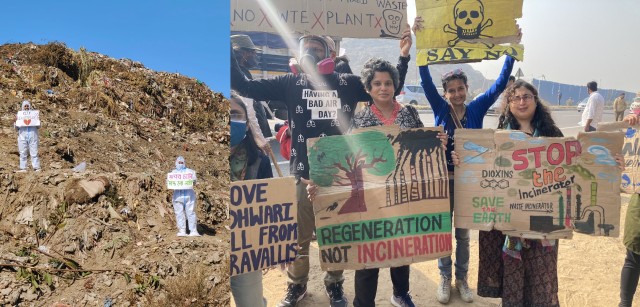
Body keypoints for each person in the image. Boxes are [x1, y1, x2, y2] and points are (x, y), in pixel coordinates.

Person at [231, 27, 413, 307]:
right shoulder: (290, 83)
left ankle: (335, 284)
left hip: (339, 177)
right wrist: (227, 54)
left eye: (317, 49)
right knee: (299, 238)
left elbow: (390, 86)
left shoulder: (348, 83)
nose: (310, 53)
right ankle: (297, 286)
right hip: (302, 177)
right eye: (306, 47)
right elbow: (246, 87)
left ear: (329, 55)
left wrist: (403, 55)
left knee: (334, 235)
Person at [455, 80, 623, 307]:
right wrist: (462, 161)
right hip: (511, 229)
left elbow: (580, 167)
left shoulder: (552, 133)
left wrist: (610, 163)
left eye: (527, 97)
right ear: (509, 103)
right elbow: (480, 168)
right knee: (513, 283)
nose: (522, 102)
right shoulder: (498, 137)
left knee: (541, 282)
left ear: (535, 100)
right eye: (516, 98)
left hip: (545, 226)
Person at [413, 15, 516, 304]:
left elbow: (499, 85)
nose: (457, 94)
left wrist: (510, 49)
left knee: (463, 234)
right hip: (443, 180)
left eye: (461, 89)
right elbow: (424, 79)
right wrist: (421, 45)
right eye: (451, 91)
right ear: (445, 94)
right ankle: (445, 278)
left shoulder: (477, 108)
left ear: (466, 89)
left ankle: (463, 279)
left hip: (469, 181)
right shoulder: (440, 109)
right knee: (443, 232)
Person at [351, 58, 422, 307]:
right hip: (372, 198)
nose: (384, 88)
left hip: (404, 194)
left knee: (401, 249)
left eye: (388, 83)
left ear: (395, 85)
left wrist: (439, 143)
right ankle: (363, 302)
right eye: (377, 83)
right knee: (369, 253)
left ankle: (400, 293)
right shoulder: (359, 120)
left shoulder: (410, 114)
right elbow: (350, 156)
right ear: (368, 88)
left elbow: (424, 143)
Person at [230, 93, 272, 307]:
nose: (229, 120)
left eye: (235, 115)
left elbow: (271, 208)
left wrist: (271, 249)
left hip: (246, 250)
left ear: (247, 124)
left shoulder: (259, 162)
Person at [231, 34, 273, 138]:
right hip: (248, 133)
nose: (254, 55)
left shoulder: (242, 72)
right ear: (243, 53)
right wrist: (258, 137)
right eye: (252, 52)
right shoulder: (237, 76)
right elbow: (248, 107)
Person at [170, 156, 200, 237]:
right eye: (179, 162)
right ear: (176, 163)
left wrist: (192, 180)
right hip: (177, 196)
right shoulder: (173, 173)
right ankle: (182, 230)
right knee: (179, 213)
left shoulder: (190, 172)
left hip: (189, 196)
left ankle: (193, 230)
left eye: (182, 162)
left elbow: (194, 181)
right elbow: (169, 182)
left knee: (190, 212)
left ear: (184, 163)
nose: (180, 164)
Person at [15, 100, 40, 172]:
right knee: (22, 152)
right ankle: (23, 168)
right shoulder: (19, 116)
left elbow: (38, 126)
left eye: (27, 106)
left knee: (34, 151)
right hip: (22, 136)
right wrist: (15, 121)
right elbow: (16, 128)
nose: (26, 107)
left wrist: (36, 120)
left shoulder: (34, 115)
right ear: (23, 107)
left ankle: (36, 167)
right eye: (25, 106)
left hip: (33, 135)